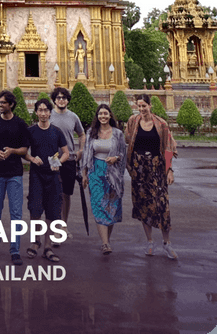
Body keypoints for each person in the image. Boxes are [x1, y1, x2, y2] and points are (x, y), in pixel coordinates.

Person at [125, 93, 178, 259]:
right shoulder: (133, 122)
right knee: (143, 205)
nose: (141, 109)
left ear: (150, 106)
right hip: (139, 170)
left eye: (144, 106)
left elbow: (168, 148)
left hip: (157, 168)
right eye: (139, 106)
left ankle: (167, 243)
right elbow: (126, 141)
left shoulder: (161, 124)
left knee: (162, 205)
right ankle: (149, 242)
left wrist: (169, 170)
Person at [0, 89, 31, 265]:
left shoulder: (20, 124)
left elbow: (25, 149)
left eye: (3, 102)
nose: (0, 105)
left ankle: (15, 249)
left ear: (11, 104)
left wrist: (12, 151)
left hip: (14, 174)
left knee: (16, 213)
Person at [25, 98, 69, 262]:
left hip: (53, 175)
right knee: (35, 210)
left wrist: (59, 162)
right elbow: (24, 152)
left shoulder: (56, 131)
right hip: (37, 175)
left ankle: (47, 246)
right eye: (40, 110)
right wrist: (32, 158)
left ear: (50, 112)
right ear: (36, 112)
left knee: (52, 211)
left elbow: (65, 152)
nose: (43, 113)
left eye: (46, 110)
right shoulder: (31, 131)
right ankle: (35, 242)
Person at [81, 103, 127, 254]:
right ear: (97, 116)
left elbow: (123, 154)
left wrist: (115, 158)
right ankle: (105, 243)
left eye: (105, 114)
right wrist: (84, 174)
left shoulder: (118, 134)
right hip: (96, 171)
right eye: (100, 114)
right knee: (98, 204)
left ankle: (107, 238)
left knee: (111, 206)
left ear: (110, 116)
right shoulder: (91, 133)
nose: (103, 116)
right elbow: (87, 153)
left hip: (113, 173)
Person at [49, 86, 85, 239]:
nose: (61, 100)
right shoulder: (48, 115)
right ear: (54, 100)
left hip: (69, 159)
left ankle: (63, 225)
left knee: (66, 194)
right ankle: (54, 225)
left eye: (64, 98)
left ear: (67, 100)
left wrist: (81, 150)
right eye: (58, 98)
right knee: (53, 193)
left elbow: (81, 134)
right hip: (53, 159)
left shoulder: (73, 117)